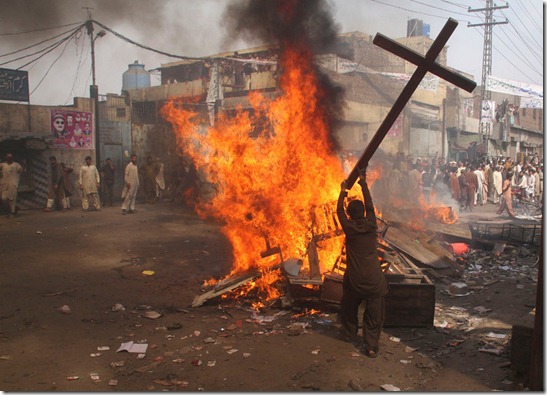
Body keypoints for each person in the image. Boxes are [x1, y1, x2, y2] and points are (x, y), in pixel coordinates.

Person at [337, 168, 388, 358]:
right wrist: (363, 182)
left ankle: (349, 331)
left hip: (355, 281)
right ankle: (371, 346)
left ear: (349, 215)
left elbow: (338, 211)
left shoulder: (349, 228)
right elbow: (370, 205)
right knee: (374, 314)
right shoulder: (371, 225)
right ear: (364, 214)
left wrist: (343, 191)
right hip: (374, 281)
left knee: (348, 303)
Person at [0, 153, 24, 218]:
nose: (9, 158)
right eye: (8, 157)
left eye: (10, 157)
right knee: (3, 198)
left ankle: (12, 212)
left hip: (13, 184)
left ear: (12, 158)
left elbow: (21, 170)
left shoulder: (16, 165)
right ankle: (9, 211)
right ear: (5, 158)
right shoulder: (2, 165)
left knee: (12, 199)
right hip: (4, 184)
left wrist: (23, 163)